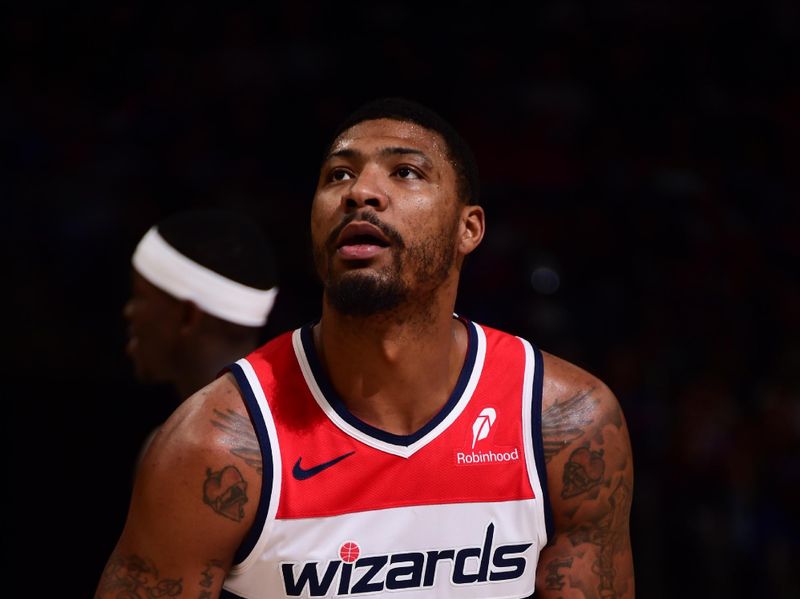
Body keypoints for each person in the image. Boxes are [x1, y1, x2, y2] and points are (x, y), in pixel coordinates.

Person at [95, 97, 634, 598]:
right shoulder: (215, 448)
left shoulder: (564, 423)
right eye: (339, 175)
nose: (360, 192)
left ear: (469, 229)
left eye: (405, 172)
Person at [123, 208, 279, 462]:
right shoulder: (298, 433)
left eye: (139, 295)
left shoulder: (175, 452)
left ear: (188, 315)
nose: (128, 311)